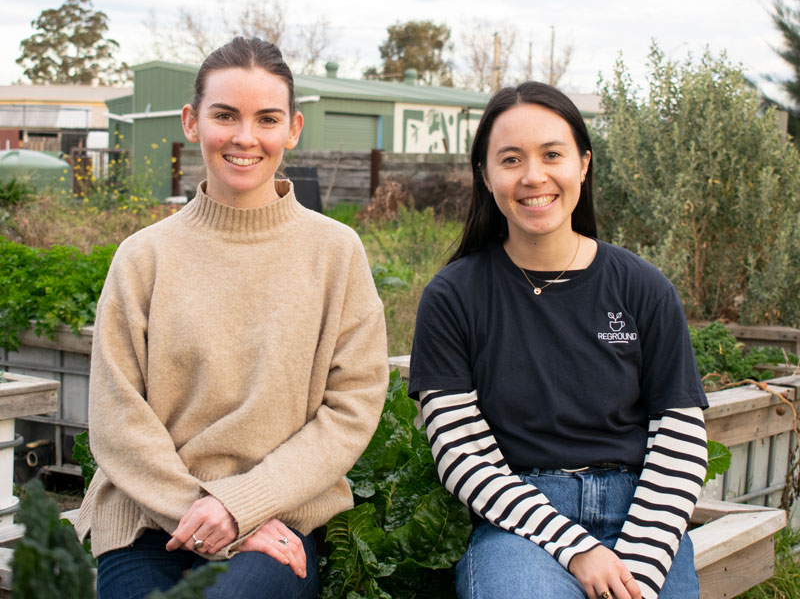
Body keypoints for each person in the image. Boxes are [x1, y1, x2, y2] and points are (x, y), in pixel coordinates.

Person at [74, 37, 389, 599]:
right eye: (225, 116)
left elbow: (353, 407)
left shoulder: (335, 253)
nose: (245, 138)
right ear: (192, 122)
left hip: (276, 525)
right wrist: (204, 512)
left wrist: (242, 507)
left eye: (266, 119)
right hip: (148, 524)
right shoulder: (144, 257)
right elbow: (117, 418)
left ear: (292, 130)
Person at [408, 82, 708, 599]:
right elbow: (461, 453)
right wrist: (578, 548)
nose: (533, 176)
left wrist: (636, 565)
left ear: (584, 163)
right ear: (485, 175)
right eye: (510, 159)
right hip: (518, 522)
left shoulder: (643, 287)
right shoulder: (453, 296)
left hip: (643, 515)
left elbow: (680, 438)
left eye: (552, 154)